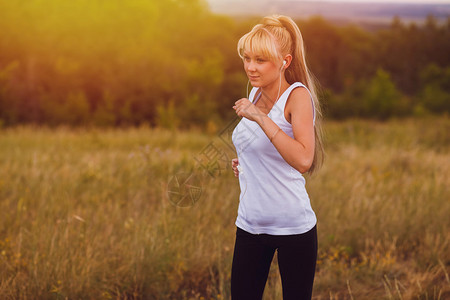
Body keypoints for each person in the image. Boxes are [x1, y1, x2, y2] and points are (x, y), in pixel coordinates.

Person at [230, 14, 324, 300]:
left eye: (260, 60)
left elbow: (304, 159)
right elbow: (262, 147)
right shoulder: (255, 92)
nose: (250, 67)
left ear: (284, 61)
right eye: (247, 58)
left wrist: (259, 116)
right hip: (249, 223)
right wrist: (246, 162)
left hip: (293, 227)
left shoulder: (297, 96)